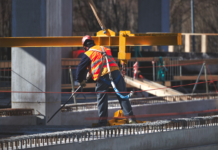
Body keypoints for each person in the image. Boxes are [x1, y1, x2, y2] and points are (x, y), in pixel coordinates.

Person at [76, 35, 136, 127]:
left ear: (84, 46)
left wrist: (81, 80)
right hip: (116, 72)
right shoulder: (104, 48)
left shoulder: (88, 53)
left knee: (102, 98)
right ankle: (131, 119)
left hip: (103, 76)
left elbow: (80, 69)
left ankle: (103, 123)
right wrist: (91, 72)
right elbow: (101, 61)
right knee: (123, 95)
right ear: (93, 42)